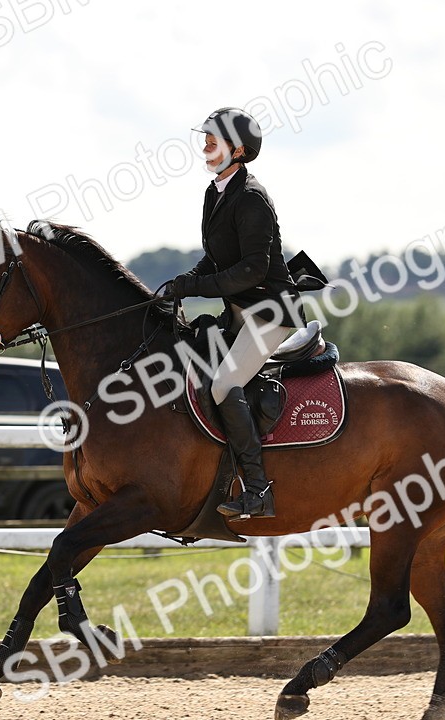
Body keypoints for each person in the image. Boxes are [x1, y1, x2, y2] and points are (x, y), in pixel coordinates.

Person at [166, 107, 302, 520]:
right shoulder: (216, 192)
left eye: (214, 139)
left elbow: (252, 268)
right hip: (240, 310)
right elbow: (216, 257)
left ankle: (258, 491)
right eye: (204, 138)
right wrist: (184, 281)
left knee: (224, 385)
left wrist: (197, 288)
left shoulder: (252, 197)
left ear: (238, 149)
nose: (205, 145)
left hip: (270, 313)